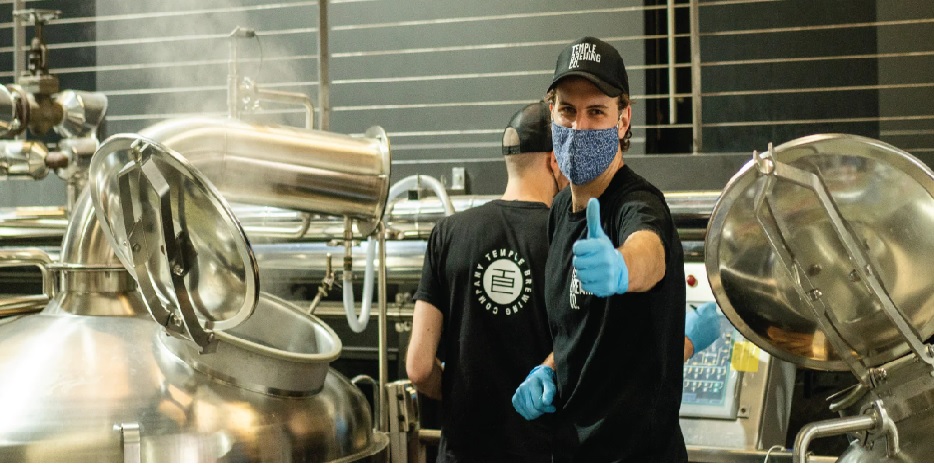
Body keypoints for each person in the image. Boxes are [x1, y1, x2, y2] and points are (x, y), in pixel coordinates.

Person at [511, 36, 691, 462]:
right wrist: (548, 370)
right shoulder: (559, 211)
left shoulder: (638, 204)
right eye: (567, 111)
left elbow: (648, 250)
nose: (579, 128)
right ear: (551, 112)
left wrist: (623, 268)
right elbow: (578, 334)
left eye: (596, 112)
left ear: (623, 120)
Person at [406, 101, 567, 462]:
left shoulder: (447, 233)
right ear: (555, 161)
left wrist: (462, 395)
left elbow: (419, 367)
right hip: (540, 452)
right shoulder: (567, 238)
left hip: (463, 451)